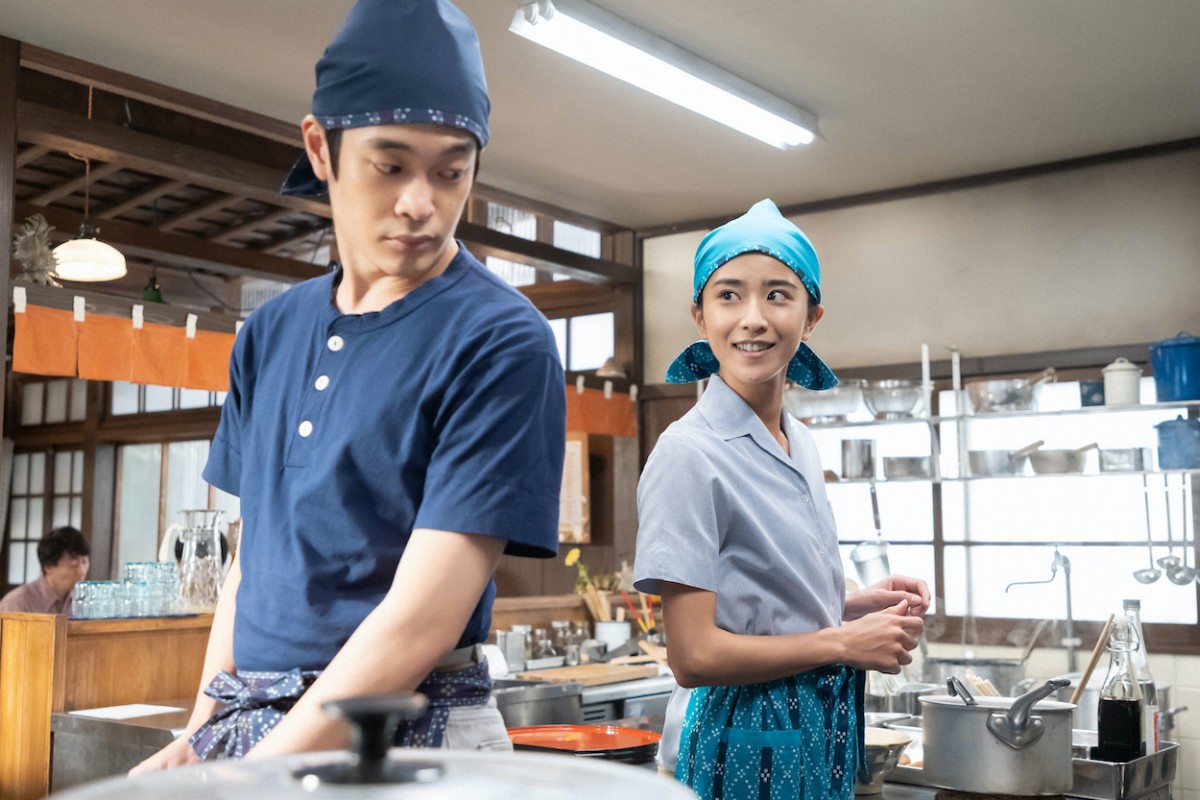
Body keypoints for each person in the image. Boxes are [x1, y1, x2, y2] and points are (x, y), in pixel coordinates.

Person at [132, 0, 565, 772]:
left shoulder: (501, 339)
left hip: (410, 730)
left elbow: (419, 622)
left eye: (451, 171)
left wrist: (250, 775)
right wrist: (198, 733)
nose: (420, 203)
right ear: (320, 149)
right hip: (251, 728)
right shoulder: (270, 334)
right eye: (390, 165)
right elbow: (251, 559)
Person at [634, 199, 929, 800]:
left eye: (777, 294)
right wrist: (843, 643)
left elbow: (759, 596)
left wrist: (848, 604)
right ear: (699, 314)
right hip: (740, 736)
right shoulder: (688, 453)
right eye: (728, 295)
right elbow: (693, 654)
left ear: (811, 316)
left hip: (818, 728)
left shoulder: (801, 442)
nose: (753, 319)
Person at [0, 526, 90, 614]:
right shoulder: (17, 603)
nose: (82, 572)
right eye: (73, 564)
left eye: (84, 562)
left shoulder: (85, 601)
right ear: (48, 567)